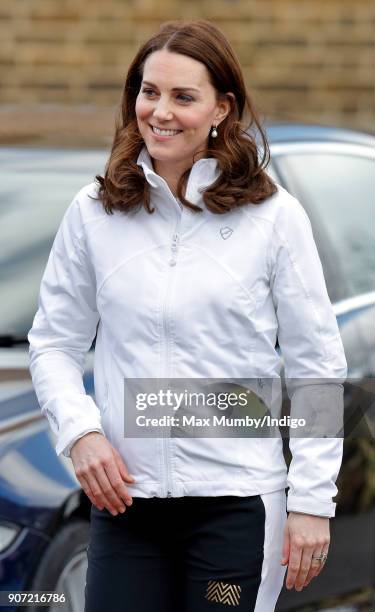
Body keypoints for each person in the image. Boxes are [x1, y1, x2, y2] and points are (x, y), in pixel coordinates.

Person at [28, 19, 347, 612]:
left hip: (235, 511)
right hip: (128, 507)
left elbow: (316, 367)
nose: (161, 111)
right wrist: (81, 433)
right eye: (149, 92)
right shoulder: (95, 211)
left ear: (222, 108)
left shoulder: (273, 218)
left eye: (183, 96)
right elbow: (52, 343)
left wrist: (311, 502)